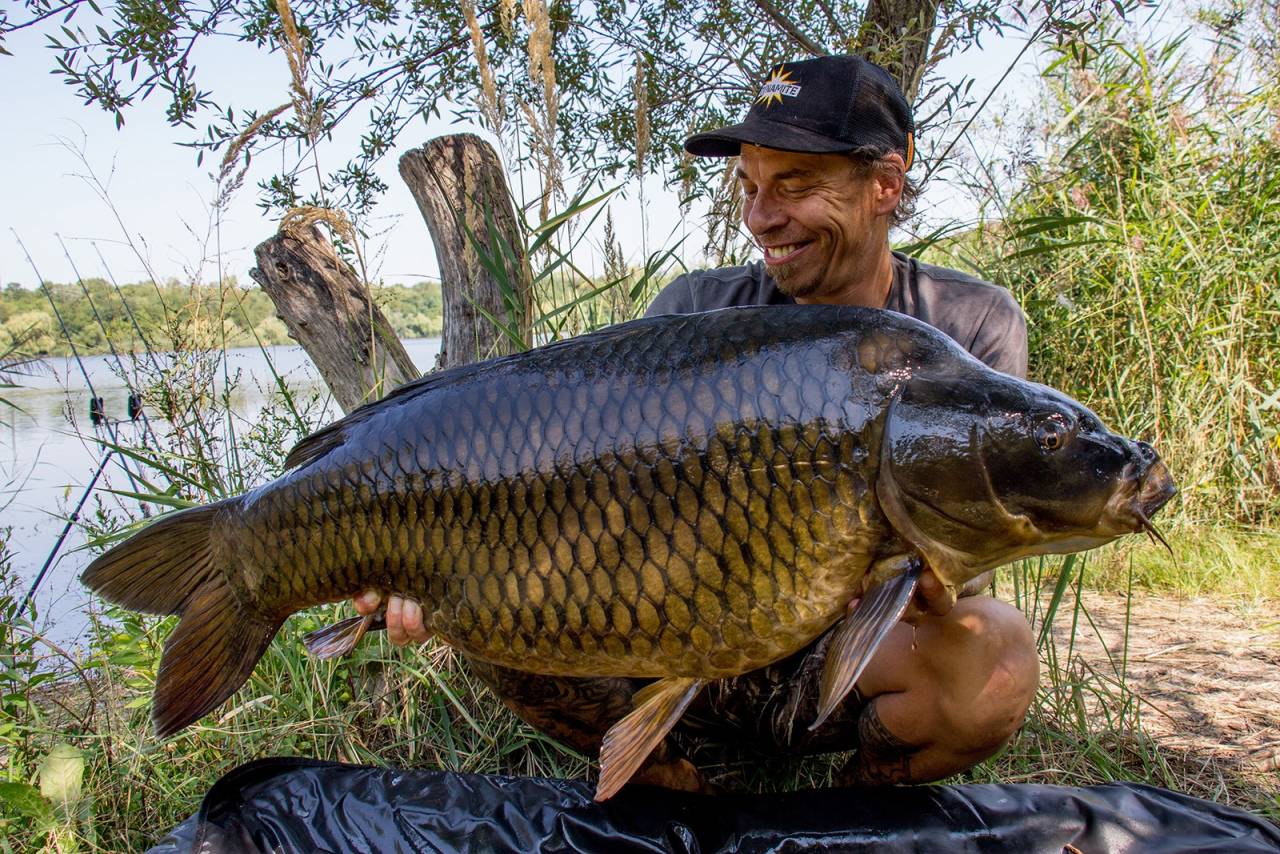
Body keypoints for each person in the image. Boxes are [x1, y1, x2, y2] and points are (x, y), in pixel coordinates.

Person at [353, 54, 1038, 790]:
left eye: (794, 185)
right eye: (749, 186)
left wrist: (907, 575)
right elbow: (582, 503)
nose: (760, 217)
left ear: (886, 184)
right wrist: (440, 563)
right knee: (496, 608)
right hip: (671, 645)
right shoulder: (694, 315)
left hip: (850, 660)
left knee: (997, 656)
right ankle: (678, 794)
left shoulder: (969, 326)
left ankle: (842, 820)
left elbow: (964, 568)